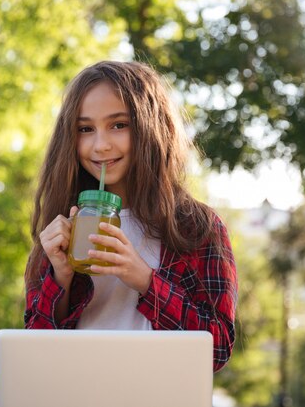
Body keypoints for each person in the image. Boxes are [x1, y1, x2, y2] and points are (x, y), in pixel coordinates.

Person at [24, 60, 237, 372]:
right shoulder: (63, 227)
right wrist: (62, 278)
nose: (100, 145)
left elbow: (217, 349)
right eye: (85, 129)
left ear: (151, 127)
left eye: (118, 125)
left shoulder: (198, 228)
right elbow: (34, 356)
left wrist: (143, 278)